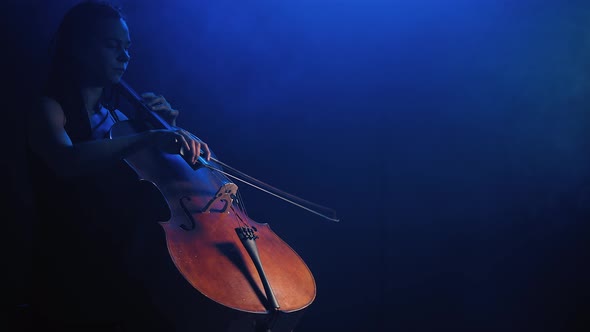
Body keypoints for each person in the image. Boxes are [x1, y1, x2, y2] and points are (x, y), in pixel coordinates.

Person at [25, 1, 211, 330]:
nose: (124, 57)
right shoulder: (47, 108)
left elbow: (153, 187)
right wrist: (149, 137)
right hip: (69, 267)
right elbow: (66, 162)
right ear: (77, 46)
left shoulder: (120, 119)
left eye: (127, 48)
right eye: (112, 46)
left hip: (123, 263)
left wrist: (163, 133)